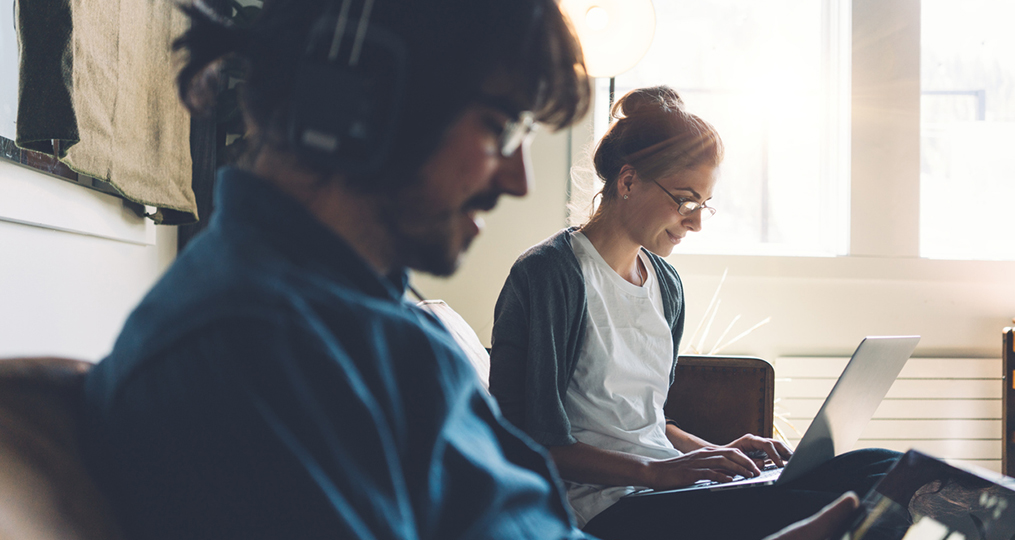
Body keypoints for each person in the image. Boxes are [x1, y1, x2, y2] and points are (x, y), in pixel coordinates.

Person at [79, 0, 861, 538]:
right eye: (497, 128)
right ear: (354, 107)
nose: (516, 180)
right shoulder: (258, 352)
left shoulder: (371, 320)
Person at [489, 86, 900, 540]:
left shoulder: (665, 284)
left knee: (884, 468)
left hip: (666, 488)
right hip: (604, 507)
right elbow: (533, 441)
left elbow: (644, 420)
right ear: (627, 182)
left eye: (703, 204)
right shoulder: (550, 275)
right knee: (847, 505)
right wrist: (657, 473)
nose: (696, 222)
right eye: (685, 201)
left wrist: (719, 453)